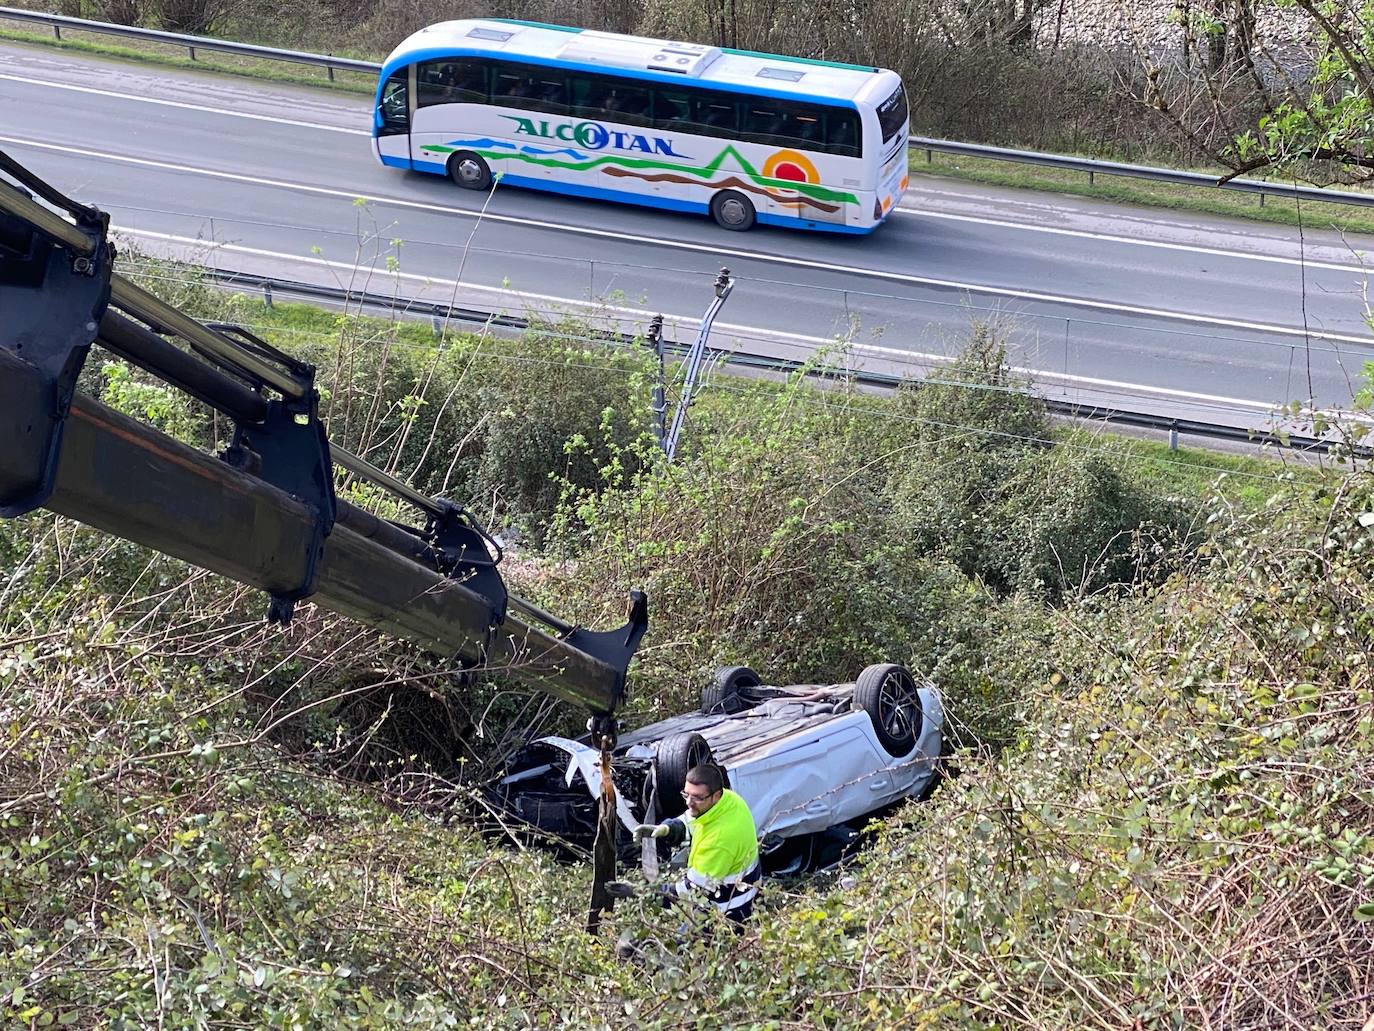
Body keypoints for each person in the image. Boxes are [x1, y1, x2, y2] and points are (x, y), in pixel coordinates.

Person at [632, 762, 761, 923]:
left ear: (716, 795)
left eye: (697, 797)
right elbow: (694, 820)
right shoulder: (729, 801)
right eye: (687, 795)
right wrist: (667, 829)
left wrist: (640, 892)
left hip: (729, 910)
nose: (689, 803)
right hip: (738, 888)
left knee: (682, 945)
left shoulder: (719, 841)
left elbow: (689, 894)